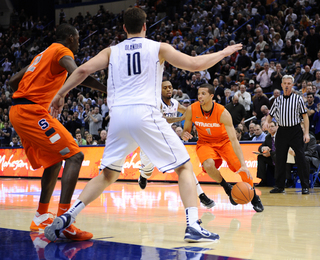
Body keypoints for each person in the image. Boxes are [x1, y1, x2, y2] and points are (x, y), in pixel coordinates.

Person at [45, 7, 242, 243]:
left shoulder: (112, 51)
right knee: (184, 168)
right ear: (146, 26)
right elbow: (194, 63)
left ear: (124, 28)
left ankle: (68, 216)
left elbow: (84, 69)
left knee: (108, 174)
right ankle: (193, 227)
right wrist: (224, 52)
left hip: (117, 117)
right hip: (144, 113)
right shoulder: (158, 47)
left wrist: (61, 93)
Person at [9, 23, 107, 240]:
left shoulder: (41, 55)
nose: (79, 42)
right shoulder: (63, 51)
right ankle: (65, 221)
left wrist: (37, 88)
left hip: (18, 111)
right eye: (78, 38)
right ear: (71, 38)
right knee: (75, 155)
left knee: (55, 161)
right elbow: (80, 73)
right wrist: (107, 89)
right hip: (31, 112)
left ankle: (41, 216)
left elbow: (13, 81)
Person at [181, 84, 264, 213]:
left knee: (241, 169)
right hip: (205, 143)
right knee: (208, 165)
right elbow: (185, 131)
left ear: (211, 96)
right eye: (198, 93)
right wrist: (184, 134)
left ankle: (254, 197)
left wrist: (243, 164)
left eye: (203, 93)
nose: (199, 96)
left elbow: (234, 140)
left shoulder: (223, 112)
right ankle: (227, 188)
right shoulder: (192, 109)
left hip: (224, 142)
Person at [138, 80, 215, 209]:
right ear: (159, 90)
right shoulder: (155, 103)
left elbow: (188, 111)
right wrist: (180, 118)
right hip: (150, 139)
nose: (169, 89)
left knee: (185, 164)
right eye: (165, 88)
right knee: (147, 169)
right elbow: (162, 119)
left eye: (170, 87)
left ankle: (202, 196)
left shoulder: (174, 103)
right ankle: (143, 176)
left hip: (167, 137)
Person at [266, 75, 310, 194]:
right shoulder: (277, 100)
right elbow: (270, 115)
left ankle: (305, 186)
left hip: (295, 131)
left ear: (292, 85)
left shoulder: (298, 99)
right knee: (280, 159)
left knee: (300, 158)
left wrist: (306, 133)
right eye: (284, 83)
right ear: (281, 85)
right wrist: (266, 122)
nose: (286, 85)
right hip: (282, 131)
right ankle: (279, 186)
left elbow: (305, 117)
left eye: (289, 83)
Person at [256, 121, 278, 186]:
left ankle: (279, 181)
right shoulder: (268, 137)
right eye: (269, 127)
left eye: (272, 126)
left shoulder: (280, 136)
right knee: (261, 157)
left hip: (280, 158)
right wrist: (263, 148)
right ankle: (263, 180)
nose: (270, 128)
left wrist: (270, 154)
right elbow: (260, 147)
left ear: (276, 127)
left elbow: (281, 150)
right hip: (272, 158)